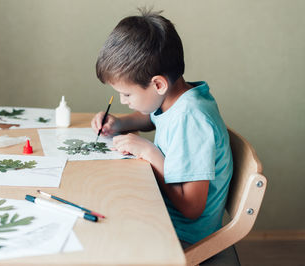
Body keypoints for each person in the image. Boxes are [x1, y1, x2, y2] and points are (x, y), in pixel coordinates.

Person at [91, 8, 233, 245]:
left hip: (183, 235)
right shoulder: (176, 100)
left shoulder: (191, 119)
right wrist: (119, 123)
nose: (124, 101)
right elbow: (152, 118)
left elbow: (191, 207)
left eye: (126, 94)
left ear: (158, 84)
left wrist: (149, 152)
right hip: (164, 214)